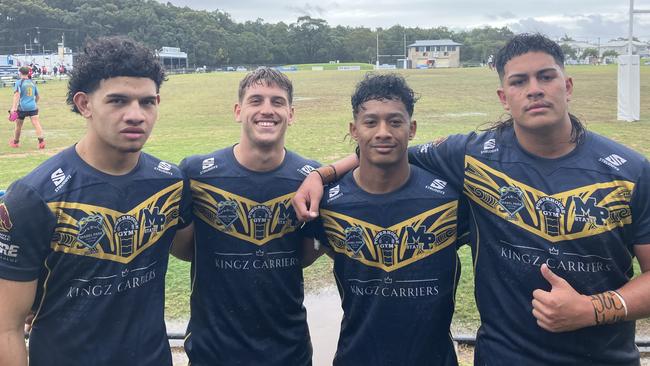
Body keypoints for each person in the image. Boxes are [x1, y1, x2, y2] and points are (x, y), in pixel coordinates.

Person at [293, 33, 650, 365]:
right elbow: (387, 149)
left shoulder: (629, 171)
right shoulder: (472, 156)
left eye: (546, 77)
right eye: (519, 81)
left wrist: (594, 308)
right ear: (503, 96)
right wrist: (321, 174)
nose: (535, 90)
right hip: (502, 357)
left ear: (568, 85)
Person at [0, 36, 192, 366]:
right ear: (85, 104)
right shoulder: (34, 197)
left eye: (147, 102)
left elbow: (194, 250)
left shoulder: (170, 183)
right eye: (118, 101)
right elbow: (7, 327)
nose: (136, 115)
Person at [314, 73, 464, 365]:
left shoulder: (449, 199)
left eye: (395, 122)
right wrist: (321, 175)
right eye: (371, 122)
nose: (383, 132)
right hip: (356, 357)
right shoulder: (328, 204)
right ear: (354, 130)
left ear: (413, 129)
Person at [173, 67, 319, 365]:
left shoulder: (309, 180)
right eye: (256, 100)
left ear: (291, 114)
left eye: (277, 102)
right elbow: (184, 250)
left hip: (288, 351)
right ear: (238, 111)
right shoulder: (196, 174)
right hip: (213, 351)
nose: (267, 110)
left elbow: (306, 254)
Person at [9, 66, 45, 149]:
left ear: (20, 73)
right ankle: (41, 142)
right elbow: (38, 96)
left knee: (18, 126)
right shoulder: (32, 82)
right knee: (36, 124)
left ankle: (15, 142)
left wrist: (13, 108)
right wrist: (33, 103)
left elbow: (16, 95)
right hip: (33, 107)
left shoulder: (19, 82)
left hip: (22, 108)